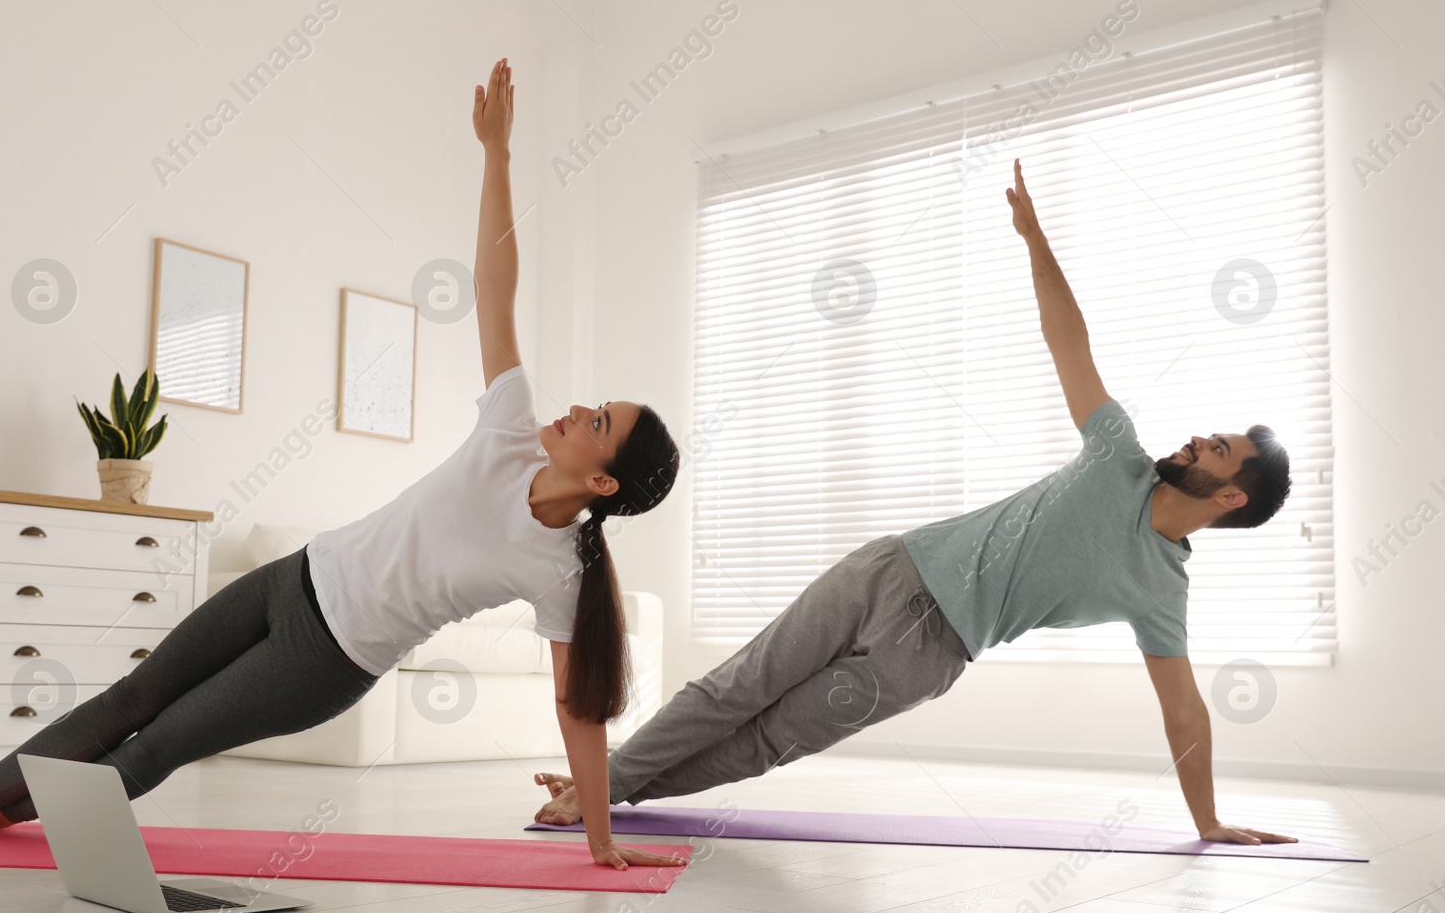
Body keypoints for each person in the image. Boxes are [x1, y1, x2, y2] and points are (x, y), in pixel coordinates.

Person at [0, 59, 687, 872]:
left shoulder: (561, 573)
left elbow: (576, 711)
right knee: (131, 699)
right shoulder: (511, 426)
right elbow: (494, 286)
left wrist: (601, 839)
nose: (579, 409)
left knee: (159, 747)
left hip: (325, 661)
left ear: (603, 480)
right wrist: (497, 155)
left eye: (599, 422)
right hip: (293, 577)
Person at [535, 158, 1298, 849]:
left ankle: (603, 789)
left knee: (768, 739)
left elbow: (1185, 711)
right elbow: (1069, 341)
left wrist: (1208, 821)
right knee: (737, 686)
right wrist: (1035, 240)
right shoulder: (1117, 454)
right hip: (889, 568)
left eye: (1220, 450)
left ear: (1229, 496)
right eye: (1213, 435)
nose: (1201, 439)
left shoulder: (1162, 588)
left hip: (925, 654)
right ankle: (597, 789)